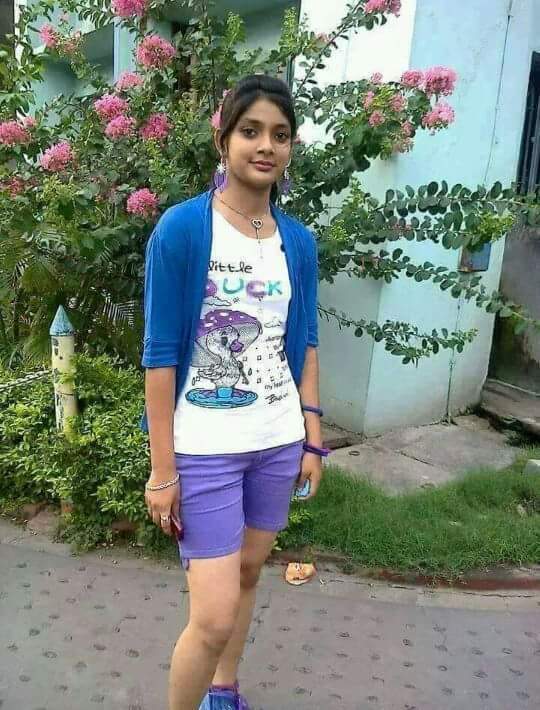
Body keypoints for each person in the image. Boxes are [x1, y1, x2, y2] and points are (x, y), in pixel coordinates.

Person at [141, 74, 329, 710]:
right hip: (204, 448)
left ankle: (223, 691)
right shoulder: (182, 230)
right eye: (251, 131)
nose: (266, 145)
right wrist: (162, 471)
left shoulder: (297, 242)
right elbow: (160, 358)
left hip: (277, 441)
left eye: (280, 134)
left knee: (248, 573)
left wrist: (313, 435)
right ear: (223, 139)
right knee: (213, 615)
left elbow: (304, 341)